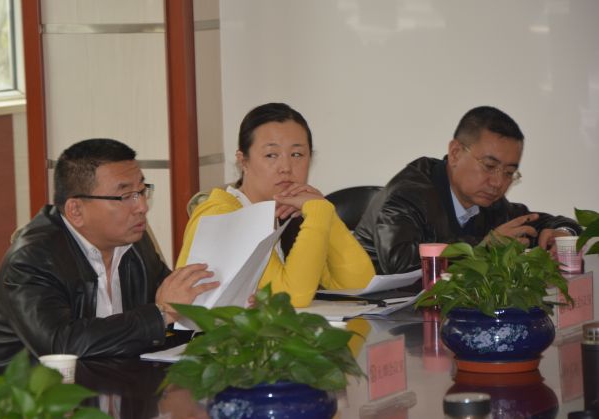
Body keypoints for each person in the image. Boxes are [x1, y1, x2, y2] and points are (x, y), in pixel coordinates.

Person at [0, 139, 218, 377]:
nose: (142, 206)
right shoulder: (31, 259)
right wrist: (161, 314)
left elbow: (166, 317)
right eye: (126, 196)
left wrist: (208, 310)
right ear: (76, 210)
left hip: (111, 383)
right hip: (27, 396)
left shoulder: (132, 242)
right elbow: (61, 345)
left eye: (142, 191)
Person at [176, 103, 376, 308]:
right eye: (271, 155)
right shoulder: (223, 214)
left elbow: (360, 286)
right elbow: (290, 297)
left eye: (297, 155)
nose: (286, 168)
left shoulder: (290, 212)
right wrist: (319, 212)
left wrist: (326, 214)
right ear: (243, 161)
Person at [354, 106, 582, 274]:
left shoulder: (489, 202)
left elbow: (535, 222)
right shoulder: (409, 194)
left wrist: (561, 232)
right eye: (489, 166)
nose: (498, 182)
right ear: (455, 153)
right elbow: (399, 263)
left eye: (509, 172)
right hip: (376, 315)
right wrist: (483, 247)